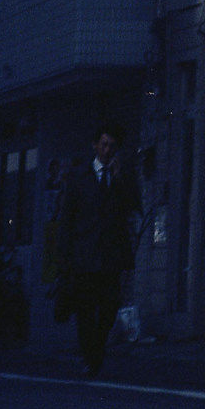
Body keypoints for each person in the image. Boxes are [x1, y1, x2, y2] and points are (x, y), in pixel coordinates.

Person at [52, 124, 142, 377]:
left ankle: (96, 350)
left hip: (111, 257)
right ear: (95, 145)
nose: (107, 150)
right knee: (85, 311)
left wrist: (120, 178)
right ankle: (92, 358)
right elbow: (66, 220)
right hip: (83, 256)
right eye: (103, 144)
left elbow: (134, 206)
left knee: (109, 308)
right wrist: (64, 258)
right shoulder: (79, 178)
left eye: (111, 146)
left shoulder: (122, 176)